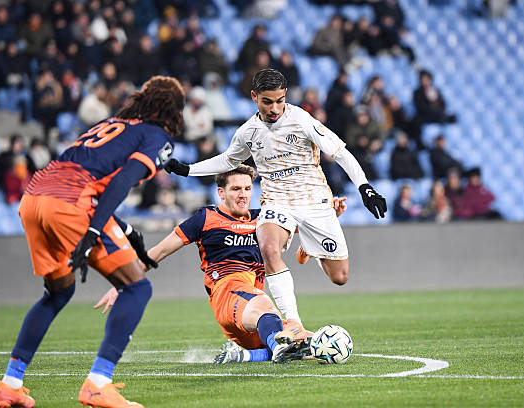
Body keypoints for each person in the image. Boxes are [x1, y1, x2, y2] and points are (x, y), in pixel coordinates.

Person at [0, 76, 185, 408]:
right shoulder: (158, 136)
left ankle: (10, 385)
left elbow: (88, 177)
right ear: (174, 111)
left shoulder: (111, 124)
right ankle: (99, 383)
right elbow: (121, 182)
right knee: (137, 288)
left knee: (58, 292)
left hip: (34, 198)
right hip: (71, 203)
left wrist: (128, 231)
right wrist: (93, 231)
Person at [164, 68, 386, 331]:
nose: (274, 108)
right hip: (277, 201)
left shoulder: (301, 120)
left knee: (340, 277)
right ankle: (294, 324)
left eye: (280, 100)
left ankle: (307, 247)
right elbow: (228, 160)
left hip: (313, 200)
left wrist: (365, 188)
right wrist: (188, 169)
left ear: (285, 96)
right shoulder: (248, 132)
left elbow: (340, 153)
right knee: (268, 248)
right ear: (254, 97)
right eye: (267, 101)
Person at [95, 165, 348, 364]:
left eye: (247, 188)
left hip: (253, 314)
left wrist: (328, 218)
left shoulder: (264, 220)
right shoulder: (205, 218)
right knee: (267, 309)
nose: (243, 194)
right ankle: (273, 346)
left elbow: (305, 243)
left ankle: (246, 356)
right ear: (221, 193)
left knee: (310, 345)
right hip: (228, 294)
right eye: (236, 189)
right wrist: (122, 283)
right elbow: (157, 252)